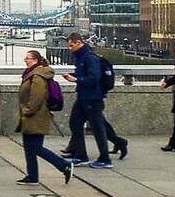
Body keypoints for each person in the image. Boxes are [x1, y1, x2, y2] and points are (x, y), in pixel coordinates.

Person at [15, 50, 73, 185]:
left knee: (35, 147)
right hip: (32, 116)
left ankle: (64, 165)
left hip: (36, 116)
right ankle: (32, 176)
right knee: (29, 147)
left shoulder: (37, 77)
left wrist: (28, 110)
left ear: (35, 60)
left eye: (28, 58)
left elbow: (37, 97)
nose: (25, 60)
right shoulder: (32, 74)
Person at [62, 32, 112, 169]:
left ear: (79, 42)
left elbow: (94, 78)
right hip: (83, 97)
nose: (70, 48)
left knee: (98, 128)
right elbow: (84, 74)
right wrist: (73, 76)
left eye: (71, 45)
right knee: (75, 123)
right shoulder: (81, 57)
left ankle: (105, 158)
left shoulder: (90, 58)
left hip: (93, 98)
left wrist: (76, 79)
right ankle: (80, 155)